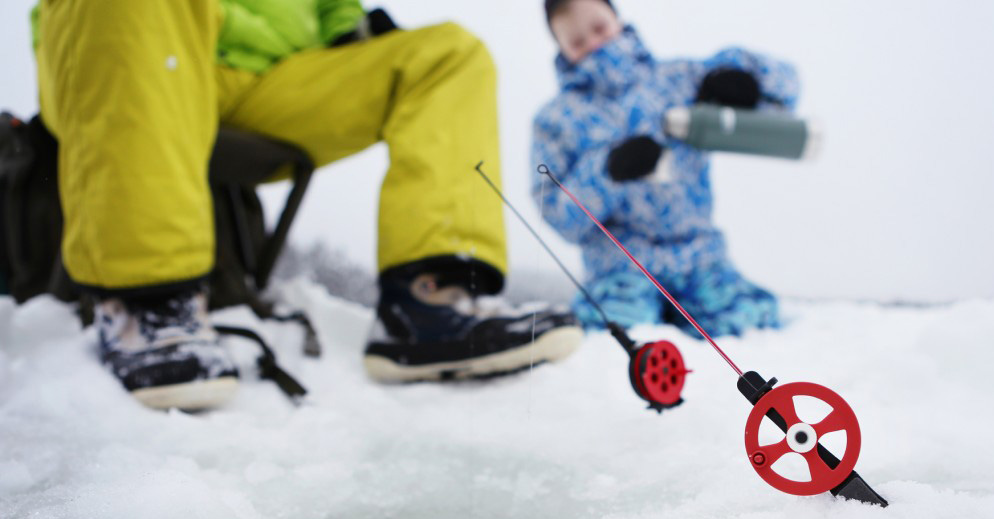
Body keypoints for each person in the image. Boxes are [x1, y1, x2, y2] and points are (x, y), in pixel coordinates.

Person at [31, 0, 582, 410]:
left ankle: (427, 305)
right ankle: (148, 306)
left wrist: (351, 32)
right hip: (130, 45)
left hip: (266, 79)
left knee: (447, 56)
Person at [531, 0, 798, 338]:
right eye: (578, 42)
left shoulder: (678, 81)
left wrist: (744, 79)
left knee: (748, 323)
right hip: (620, 266)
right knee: (619, 336)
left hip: (701, 259)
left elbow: (787, 90)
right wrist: (607, 171)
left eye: (599, 28)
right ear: (561, 48)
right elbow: (558, 216)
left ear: (617, 19)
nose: (594, 45)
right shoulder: (555, 120)